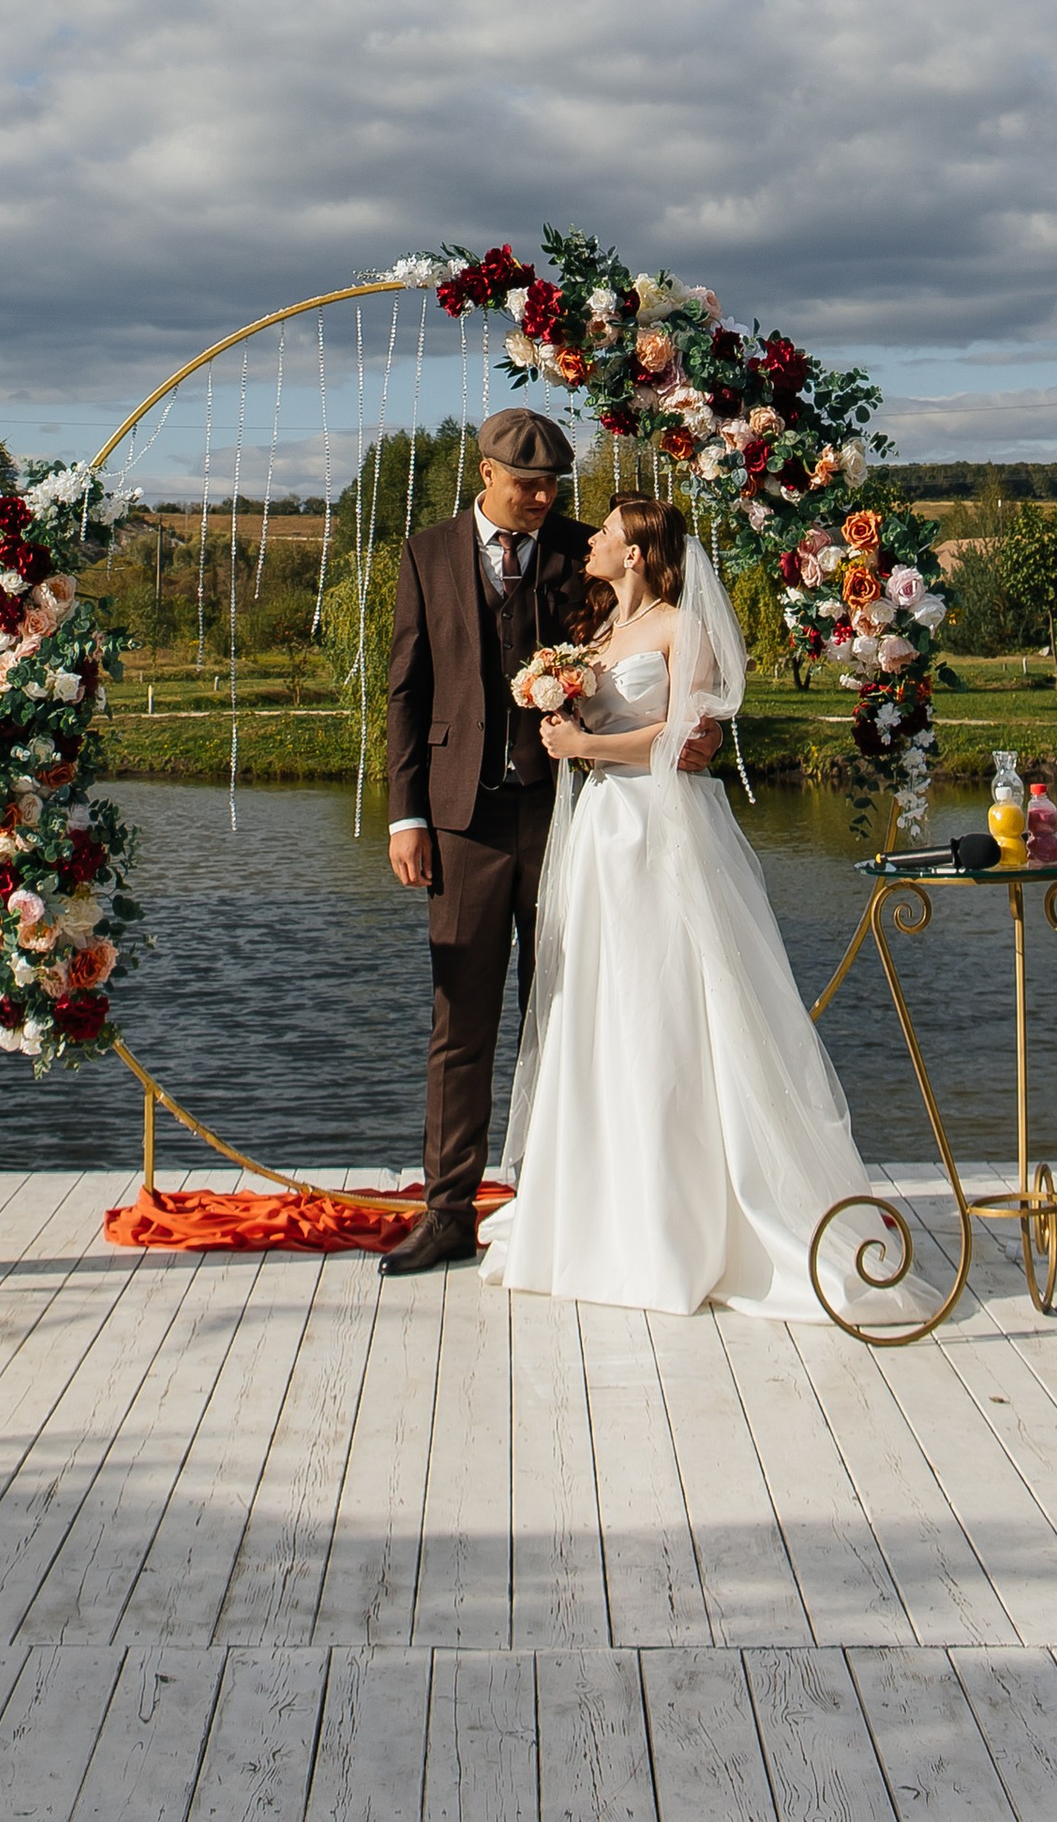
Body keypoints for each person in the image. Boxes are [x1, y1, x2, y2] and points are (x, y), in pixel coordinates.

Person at [479, 493, 901, 1317]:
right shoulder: (599, 635)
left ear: (637, 552)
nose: (592, 543)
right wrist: (555, 702)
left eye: (604, 534)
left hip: (661, 827)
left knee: (668, 1001)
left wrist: (586, 743)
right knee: (600, 1002)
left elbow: (683, 734)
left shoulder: (682, 628)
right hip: (604, 831)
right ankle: (597, 1207)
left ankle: (693, 1215)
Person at [378, 408, 718, 1278]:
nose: (541, 499)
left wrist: (696, 725)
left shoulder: (584, 550)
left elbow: (659, 644)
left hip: (569, 810)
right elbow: (407, 693)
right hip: (461, 821)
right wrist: (405, 815)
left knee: (565, 1010)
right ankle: (448, 1211)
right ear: (484, 472)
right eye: (526, 484)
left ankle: (558, 1199)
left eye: (551, 487)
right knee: (462, 1018)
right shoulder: (426, 554)